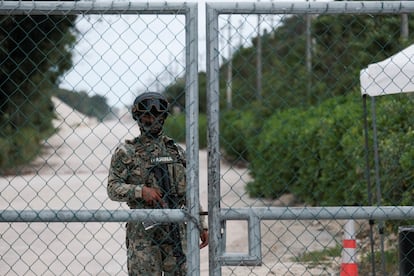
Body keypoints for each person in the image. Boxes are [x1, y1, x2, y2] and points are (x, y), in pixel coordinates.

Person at [107, 92, 208, 276]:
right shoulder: (126, 152)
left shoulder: (177, 152)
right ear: (137, 117)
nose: (151, 119)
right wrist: (140, 191)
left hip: (177, 230)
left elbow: (189, 192)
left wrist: (202, 224)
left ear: (163, 117)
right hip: (143, 234)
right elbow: (113, 188)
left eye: (157, 115)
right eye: (146, 114)